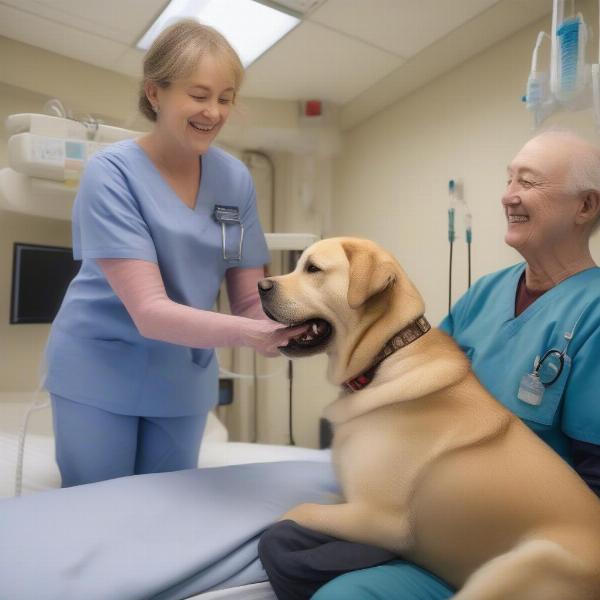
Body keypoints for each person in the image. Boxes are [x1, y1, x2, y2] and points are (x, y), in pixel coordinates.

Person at [258, 130, 600, 600]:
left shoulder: (593, 313)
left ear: (585, 207)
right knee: (289, 546)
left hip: (513, 545)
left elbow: (594, 481)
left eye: (530, 182)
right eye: (509, 179)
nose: (509, 195)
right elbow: (412, 381)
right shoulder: (485, 293)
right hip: (427, 510)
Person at [44, 20, 305, 488]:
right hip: (98, 367)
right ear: (155, 93)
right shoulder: (111, 174)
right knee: (97, 513)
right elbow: (149, 312)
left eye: (225, 98)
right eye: (199, 95)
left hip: (182, 378)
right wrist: (250, 335)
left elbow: (248, 302)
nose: (214, 112)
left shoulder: (236, 181)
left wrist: (289, 328)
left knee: (167, 513)